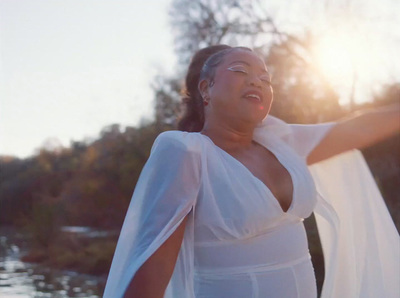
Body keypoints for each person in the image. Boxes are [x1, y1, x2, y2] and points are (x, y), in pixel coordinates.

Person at [104, 45, 400, 298]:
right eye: (240, 70)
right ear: (206, 89)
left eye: (265, 78)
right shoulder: (187, 153)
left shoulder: (280, 142)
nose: (256, 81)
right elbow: (151, 272)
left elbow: (356, 128)